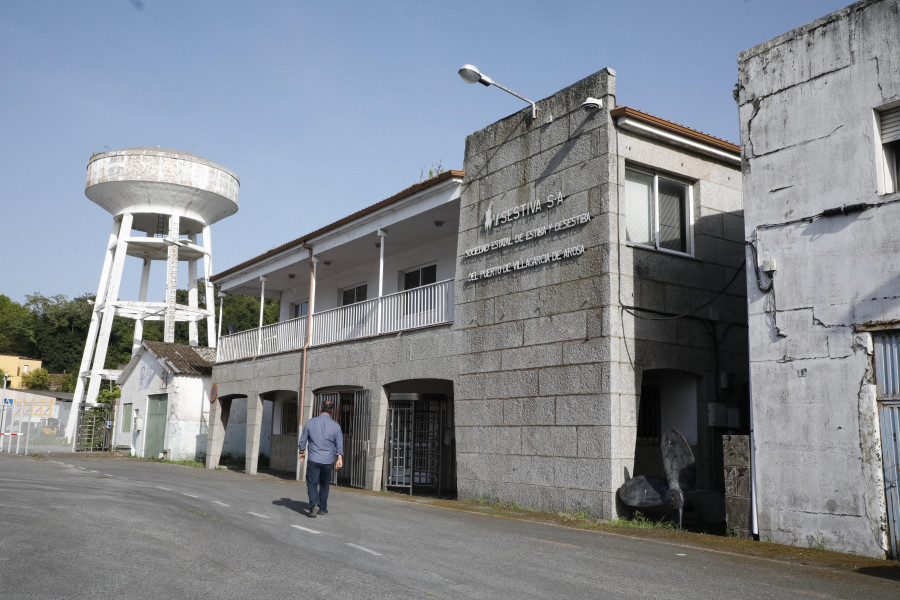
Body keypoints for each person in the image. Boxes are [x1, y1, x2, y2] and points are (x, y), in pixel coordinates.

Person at [298, 398, 343, 517]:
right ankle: (322, 508)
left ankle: (314, 505)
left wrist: (301, 451)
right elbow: (339, 442)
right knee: (325, 484)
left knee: (312, 483)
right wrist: (340, 458)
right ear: (332, 411)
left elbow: (303, 439)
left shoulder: (311, 422)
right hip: (328, 461)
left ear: (320, 408)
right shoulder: (336, 425)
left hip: (314, 459)